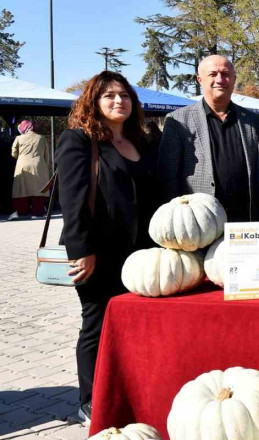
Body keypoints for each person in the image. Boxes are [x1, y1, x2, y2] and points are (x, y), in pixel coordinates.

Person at [56, 71, 160, 423]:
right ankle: (89, 399)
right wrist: (81, 250)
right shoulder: (78, 140)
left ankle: (128, 389)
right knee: (96, 323)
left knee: (132, 323)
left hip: (141, 254)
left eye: (125, 95)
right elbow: (71, 201)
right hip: (97, 252)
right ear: (94, 102)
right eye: (109, 96)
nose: (119, 101)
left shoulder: (140, 141)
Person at [157, 55, 259, 222]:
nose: (220, 80)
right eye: (213, 74)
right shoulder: (178, 121)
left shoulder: (252, 120)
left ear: (234, 79)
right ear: (200, 79)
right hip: (200, 222)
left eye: (226, 74)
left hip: (245, 220)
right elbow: (168, 176)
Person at [9, 120, 51, 220]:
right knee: (39, 190)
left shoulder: (19, 138)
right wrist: (46, 166)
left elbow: (13, 154)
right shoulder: (41, 138)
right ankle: (37, 213)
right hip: (38, 166)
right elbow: (47, 156)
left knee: (21, 189)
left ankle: (22, 212)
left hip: (22, 166)